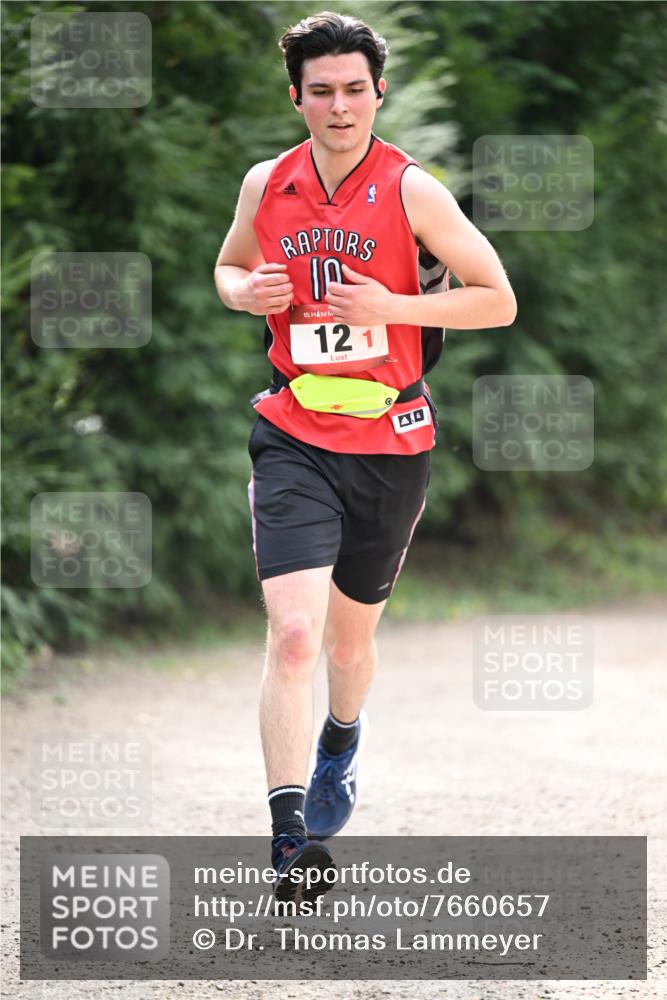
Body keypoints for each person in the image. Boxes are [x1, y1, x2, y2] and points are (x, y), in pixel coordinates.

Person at [214, 11, 516, 903]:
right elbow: (228, 270)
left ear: (378, 93)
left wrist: (392, 308)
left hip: (390, 439)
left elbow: (495, 299)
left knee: (349, 648)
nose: (339, 107)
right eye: (321, 91)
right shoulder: (267, 183)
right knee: (294, 635)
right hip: (294, 429)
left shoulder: (412, 191)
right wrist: (246, 291)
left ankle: (341, 740)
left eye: (354, 89)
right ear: (297, 97)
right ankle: (288, 840)